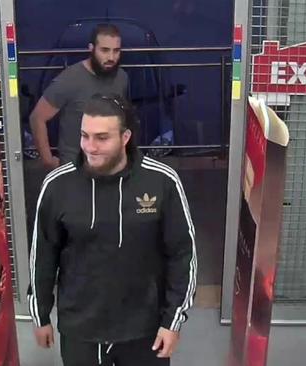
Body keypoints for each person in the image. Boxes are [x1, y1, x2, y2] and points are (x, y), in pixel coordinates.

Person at [28, 94, 197, 365]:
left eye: (102, 138)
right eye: (84, 136)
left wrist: (173, 321)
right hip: (80, 329)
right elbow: (43, 257)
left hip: (145, 329)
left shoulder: (162, 182)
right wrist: (41, 316)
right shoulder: (57, 186)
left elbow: (182, 255)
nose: (90, 147)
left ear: (125, 137)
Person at [29, 24, 130, 169]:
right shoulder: (69, 79)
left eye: (116, 51)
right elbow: (37, 117)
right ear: (91, 48)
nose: (111, 57)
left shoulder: (122, 78)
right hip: (75, 168)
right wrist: (47, 159)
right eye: (105, 50)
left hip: (112, 167)